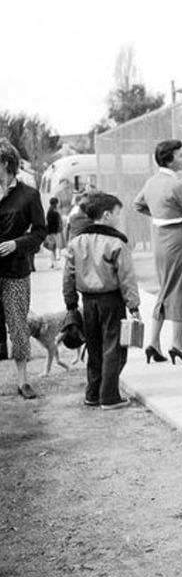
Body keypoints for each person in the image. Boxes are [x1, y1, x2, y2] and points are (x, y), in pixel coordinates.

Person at [63, 192, 141, 409]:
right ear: (107, 215)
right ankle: (109, 396)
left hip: (87, 302)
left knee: (94, 347)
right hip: (111, 300)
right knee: (114, 348)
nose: (118, 218)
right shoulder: (116, 242)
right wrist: (133, 306)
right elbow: (126, 277)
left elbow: (68, 277)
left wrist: (70, 305)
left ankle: (92, 393)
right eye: (117, 214)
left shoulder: (76, 242)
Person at [133, 139, 182, 365]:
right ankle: (177, 344)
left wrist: (159, 216)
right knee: (181, 290)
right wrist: (181, 217)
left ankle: (153, 343)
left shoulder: (151, 182)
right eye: (180, 155)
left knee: (165, 290)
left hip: (160, 239)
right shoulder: (176, 185)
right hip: (178, 239)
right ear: (170, 159)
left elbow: (138, 204)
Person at [0, 139, 47, 398]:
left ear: (6, 164)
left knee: (18, 324)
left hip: (15, 270)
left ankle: (23, 380)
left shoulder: (29, 195)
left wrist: (17, 244)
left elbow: (41, 232)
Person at [44, 196, 63, 267]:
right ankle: (54, 263)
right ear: (55, 203)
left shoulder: (49, 211)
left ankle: (52, 263)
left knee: (53, 248)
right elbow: (56, 223)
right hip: (54, 233)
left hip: (50, 232)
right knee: (53, 248)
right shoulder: (54, 212)